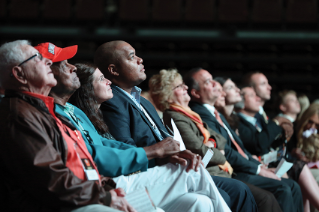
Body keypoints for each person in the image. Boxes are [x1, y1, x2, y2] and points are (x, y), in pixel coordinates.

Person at [40, 41, 230, 212]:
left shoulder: (73, 110)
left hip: (108, 180)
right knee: (192, 172)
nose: (71, 67)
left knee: (199, 202)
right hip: (99, 186)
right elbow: (92, 155)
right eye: (62, 64)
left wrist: (161, 154)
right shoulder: (45, 113)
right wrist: (152, 153)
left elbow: (106, 145)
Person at [94, 40, 255, 210]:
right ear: (113, 70)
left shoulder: (144, 102)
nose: (140, 59)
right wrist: (163, 155)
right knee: (233, 192)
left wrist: (179, 152)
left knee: (239, 189)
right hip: (153, 171)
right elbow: (125, 147)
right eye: (132, 57)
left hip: (176, 165)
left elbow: (174, 140)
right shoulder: (113, 102)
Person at [0, 40, 129, 212]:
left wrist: (105, 186)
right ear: (19, 74)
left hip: (84, 194)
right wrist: (103, 196)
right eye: (37, 58)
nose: (47, 62)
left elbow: (78, 162)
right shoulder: (19, 115)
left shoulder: (41, 109)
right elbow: (50, 180)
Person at [149, 68, 283, 212]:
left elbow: (220, 138)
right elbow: (198, 149)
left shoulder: (191, 114)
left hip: (219, 170)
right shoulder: (174, 116)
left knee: (269, 192)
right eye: (179, 86)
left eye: (184, 84)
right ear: (167, 96)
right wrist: (218, 152)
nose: (186, 87)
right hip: (209, 172)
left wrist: (211, 144)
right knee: (257, 195)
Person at [185, 67, 303, 212]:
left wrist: (258, 165)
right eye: (209, 82)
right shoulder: (200, 113)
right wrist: (258, 169)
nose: (216, 84)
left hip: (243, 166)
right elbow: (225, 149)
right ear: (195, 93)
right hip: (233, 170)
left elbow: (238, 148)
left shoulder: (216, 114)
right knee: (280, 190)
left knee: (293, 186)